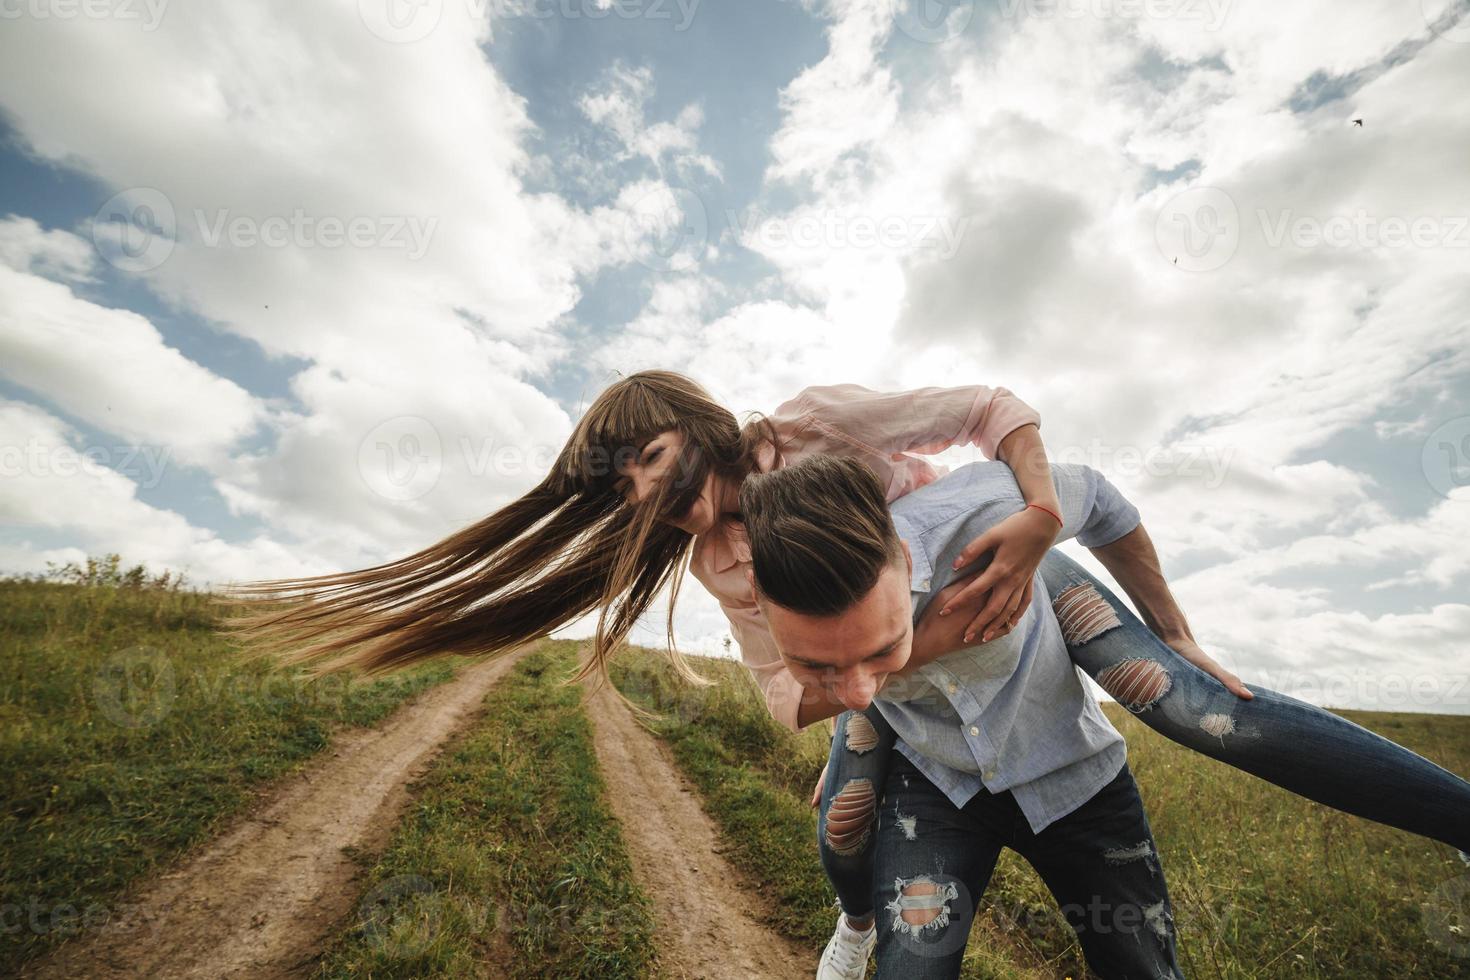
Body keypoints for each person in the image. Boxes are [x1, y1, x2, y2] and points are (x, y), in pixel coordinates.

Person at [214, 369, 1470, 978]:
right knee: (851, 811)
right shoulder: (719, 563)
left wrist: (1043, 528)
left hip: (1010, 586)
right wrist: (857, 674)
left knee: (1197, 708)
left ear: (696, 421)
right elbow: (784, 693)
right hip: (904, 697)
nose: (649, 494)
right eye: (626, 490)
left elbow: (993, 409)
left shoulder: (825, 424)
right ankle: (859, 915)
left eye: (652, 457)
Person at [739, 452, 1188, 978]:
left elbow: (1098, 496)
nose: (856, 695)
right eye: (817, 665)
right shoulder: (762, 608)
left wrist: (1174, 634)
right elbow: (831, 697)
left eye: (882, 650)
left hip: (1077, 774)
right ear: (757, 603)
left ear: (905, 560)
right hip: (934, 783)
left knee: (1141, 968)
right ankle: (855, 926)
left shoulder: (985, 508)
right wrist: (851, 747)